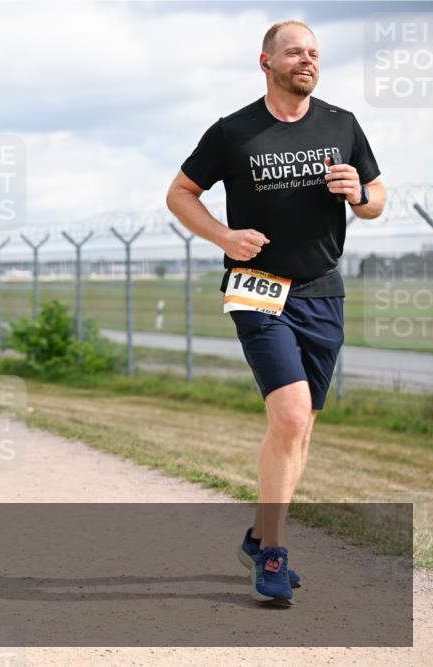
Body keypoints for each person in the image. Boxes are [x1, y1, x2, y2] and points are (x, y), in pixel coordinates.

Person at [166, 20, 385, 605]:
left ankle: (259, 533)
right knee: (289, 418)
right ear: (266, 62)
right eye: (294, 52)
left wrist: (358, 194)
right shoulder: (233, 132)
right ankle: (274, 554)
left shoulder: (342, 125)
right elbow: (180, 193)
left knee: (302, 422)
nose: (306, 60)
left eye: (314, 52)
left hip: (321, 289)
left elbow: (377, 201)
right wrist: (224, 237)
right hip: (258, 286)